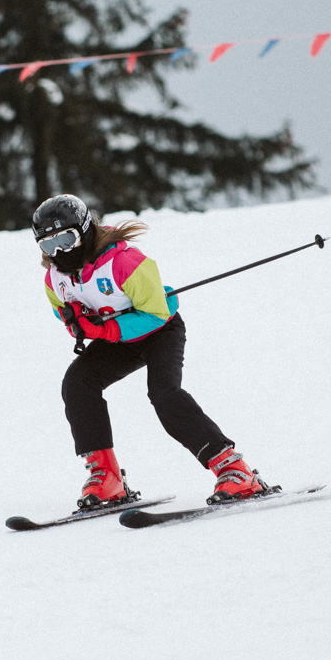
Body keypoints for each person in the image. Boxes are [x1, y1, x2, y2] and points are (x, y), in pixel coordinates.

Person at [31, 193, 269, 510]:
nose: (60, 251)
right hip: (119, 341)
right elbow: (66, 315)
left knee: (164, 394)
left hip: (160, 332)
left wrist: (104, 330)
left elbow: (157, 313)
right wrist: (77, 322)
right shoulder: (55, 280)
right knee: (78, 383)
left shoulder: (124, 263)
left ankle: (235, 470)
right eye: (49, 245)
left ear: (85, 231)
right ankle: (107, 478)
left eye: (66, 239)